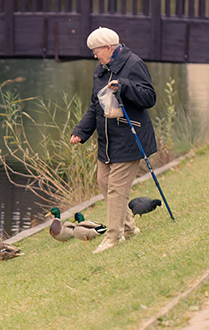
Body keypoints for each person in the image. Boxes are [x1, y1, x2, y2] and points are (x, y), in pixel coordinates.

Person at [70, 27, 157, 254]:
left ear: (108, 48)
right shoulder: (101, 70)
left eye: (96, 51)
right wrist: (81, 131)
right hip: (107, 141)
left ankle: (113, 237)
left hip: (130, 136)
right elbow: (95, 105)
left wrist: (125, 86)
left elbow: (149, 97)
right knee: (104, 184)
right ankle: (129, 228)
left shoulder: (134, 64)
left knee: (117, 189)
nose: (94, 56)